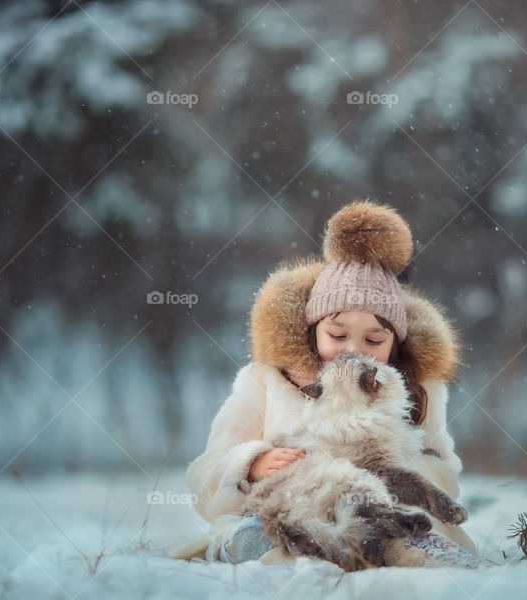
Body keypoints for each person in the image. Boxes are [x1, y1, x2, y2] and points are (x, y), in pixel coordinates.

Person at [177, 200, 478, 569]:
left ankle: (416, 556)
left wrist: (382, 471)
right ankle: (279, 555)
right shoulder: (268, 380)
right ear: (313, 330)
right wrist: (251, 465)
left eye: (373, 341)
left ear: (393, 344)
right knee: (261, 537)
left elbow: (444, 473)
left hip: (378, 513)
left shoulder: (414, 390)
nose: (352, 350)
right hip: (285, 508)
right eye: (337, 334)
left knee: (407, 540)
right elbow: (205, 472)